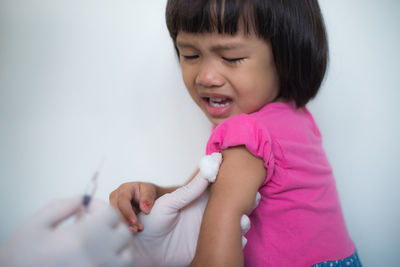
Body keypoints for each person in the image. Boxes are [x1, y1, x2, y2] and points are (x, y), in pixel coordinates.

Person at [110, 0, 362, 266]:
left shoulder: (247, 134)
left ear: (285, 55)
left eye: (231, 58)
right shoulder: (291, 119)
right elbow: (206, 194)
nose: (206, 77)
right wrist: (156, 194)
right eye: (190, 55)